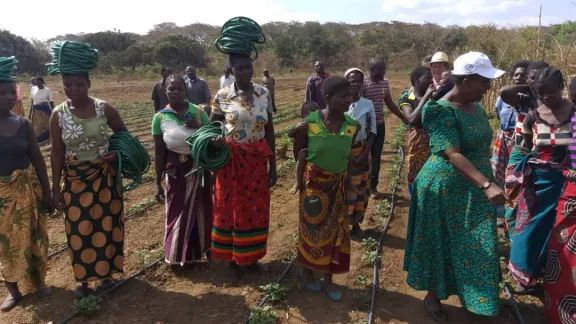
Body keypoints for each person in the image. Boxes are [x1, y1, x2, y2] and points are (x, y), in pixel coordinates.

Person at [403, 52, 508, 322]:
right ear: (469, 81)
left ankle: (478, 298)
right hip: (444, 187)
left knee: (479, 242)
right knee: (441, 243)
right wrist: (486, 184)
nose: (488, 87)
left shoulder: (478, 108)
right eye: (485, 82)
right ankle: (433, 296)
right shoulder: (437, 110)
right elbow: (452, 153)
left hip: (474, 185)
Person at [49, 41, 128, 298]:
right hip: (75, 180)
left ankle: (106, 276)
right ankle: (82, 280)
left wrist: (117, 153)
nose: (73, 89)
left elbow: (124, 135)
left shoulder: (104, 108)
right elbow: (57, 152)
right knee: (78, 228)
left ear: (89, 84)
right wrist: (56, 188)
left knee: (107, 224)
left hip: (104, 177)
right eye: (68, 85)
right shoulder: (58, 115)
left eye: (79, 84)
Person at [210, 17, 277, 276]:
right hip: (230, 161)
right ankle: (231, 258)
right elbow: (214, 125)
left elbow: (269, 129)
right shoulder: (222, 96)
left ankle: (250, 257)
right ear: (231, 70)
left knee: (255, 208)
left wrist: (273, 166)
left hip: (256, 161)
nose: (245, 72)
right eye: (239, 68)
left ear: (253, 67)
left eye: (248, 67)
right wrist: (216, 140)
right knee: (228, 207)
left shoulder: (263, 94)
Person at [507, 67, 575, 294]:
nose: (546, 97)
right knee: (529, 226)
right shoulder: (534, 114)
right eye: (541, 93)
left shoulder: (573, 112)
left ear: (561, 88)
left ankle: (543, 272)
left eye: (551, 93)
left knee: (554, 228)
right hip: (537, 180)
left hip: (565, 181)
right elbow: (526, 145)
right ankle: (523, 274)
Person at [293, 76, 358, 302]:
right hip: (314, 188)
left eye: (350, 95)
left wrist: (350, 185)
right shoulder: (309, 122)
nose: (349, 100)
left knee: (336, 233)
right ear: (328, 98)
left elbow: (348, 157)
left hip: (337, 187)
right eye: (343, 96)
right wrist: (300, 181)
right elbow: (298, 154)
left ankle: (329, 279)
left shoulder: (352, 125)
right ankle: (307, 270)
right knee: (311, 232)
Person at [0, 57, 53, 312]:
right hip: (2, 196)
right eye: (3, 93)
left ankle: (39, 283)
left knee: (35, 238)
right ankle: (13, 290)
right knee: (5, 244)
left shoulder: (23, 124)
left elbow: (38, 160)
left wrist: (48, 191)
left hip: (28, 190)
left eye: (12, 92)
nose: (10, 97)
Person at [152, 74, 213, 269]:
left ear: (185, 90)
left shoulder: (198, 113)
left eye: (179, 88)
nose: (175, 92)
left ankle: (198, 253)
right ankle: (176, 256)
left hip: (199, 168)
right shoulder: (160, 117)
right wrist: (156, 182)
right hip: (176, 171)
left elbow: (210, 141)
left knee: (201, 211)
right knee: (176, 212)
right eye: (171, 89)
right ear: (165, 91)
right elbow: (159, 152)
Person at [501, 61, 549, 240]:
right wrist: (528, 86)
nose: (536, 80)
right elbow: (504, 92)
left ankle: (532, 239)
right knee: (512, 196)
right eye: (532, 77)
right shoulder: (522, 98)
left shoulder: (552, 100)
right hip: (520, 151)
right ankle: (513, 238)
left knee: (537, 200)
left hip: (545, 156)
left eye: (540, 77)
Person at [543, 75, 576, 324]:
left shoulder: (569, 121)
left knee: (562, 252)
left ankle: (561, 313)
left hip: (570, 193)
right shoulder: (568, 120)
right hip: (570, 192)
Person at [362, 58, 407, 199]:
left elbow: (389, 103)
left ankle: (373, 187)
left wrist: (402, 117)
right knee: (363, 156)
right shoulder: (363, 83)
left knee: (376, 157)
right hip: (364, 126)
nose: (383, 72)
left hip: (379, 125)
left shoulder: (384, 83)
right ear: (371, 69)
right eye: (380, 69)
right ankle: (361, 185)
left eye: (384, 69)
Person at [344, 68, 376, 237]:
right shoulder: (340, 103)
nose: (355, 84)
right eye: (352, 81)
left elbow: (373, 131)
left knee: (360, 189)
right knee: (344, 188)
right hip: (342, 152)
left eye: (358, 81)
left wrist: (364, 153)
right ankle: (342, 225)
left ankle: (355, 224)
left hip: (361, 150)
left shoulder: (367, 104)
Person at [491, 60, 530, 186]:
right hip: (503, 136)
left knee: (515, 172)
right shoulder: (503, 98)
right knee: (499, 170)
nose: (519, 77)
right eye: (516, 75)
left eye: (523, 75)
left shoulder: (528, 97)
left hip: (519, 138)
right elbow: (498, 113)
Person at [398, 66, 434, 195]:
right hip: (418, 144)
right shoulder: (406, 99)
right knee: (416, 175)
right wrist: (425, 99)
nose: (432, 81)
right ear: (417, 80)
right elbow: (411, 119)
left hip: (435, 142)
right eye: (428, 78)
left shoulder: (436, 97)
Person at [288, 102, 320, 195]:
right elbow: (290, 134)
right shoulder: (300, 125)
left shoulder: (319, 124)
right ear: (302, 115)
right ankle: (297, 182)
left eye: (313, 111)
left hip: (313, 150)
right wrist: (297, 128)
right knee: (302, 155)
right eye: (306, 113)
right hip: (300, 152)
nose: (309, 114)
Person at [30, 77, 54, 143]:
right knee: (37, 127)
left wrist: (54, 112)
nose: (37, 84)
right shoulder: (33, 88)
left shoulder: (47, 90)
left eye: (38, 82)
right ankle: (39, 141)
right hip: (36, 110)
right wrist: (30, 112)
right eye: (36, 82)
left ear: (42, 82)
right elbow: (32, 101)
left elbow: (51, 102)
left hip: (45, 110)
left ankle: (47, 140)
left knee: (46, 126)